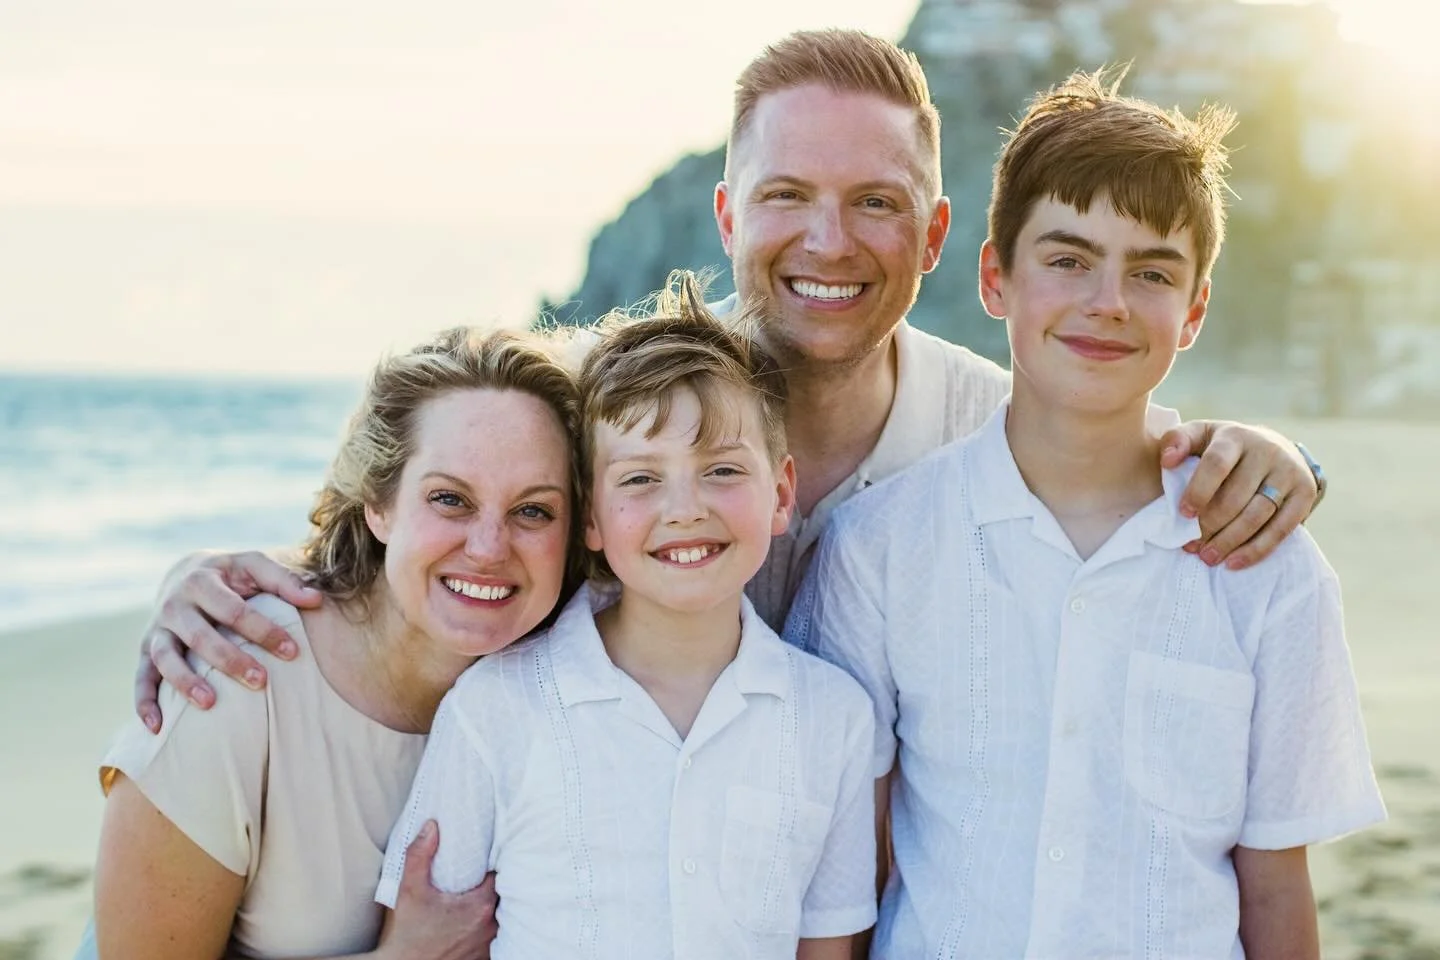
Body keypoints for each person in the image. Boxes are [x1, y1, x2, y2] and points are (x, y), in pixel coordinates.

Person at [126, 29, 1326, 718]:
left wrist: (1282, 457)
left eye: (875, 203)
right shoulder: (596, 394)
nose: (828, 241)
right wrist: (215, 574)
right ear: (726, 210)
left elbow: (1133, 452)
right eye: (786, 197)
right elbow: (440, 508)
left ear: (937, 234)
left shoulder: (987, 421)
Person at [785, 69, 1386, 958]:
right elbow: (847, 881)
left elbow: (1274, 888)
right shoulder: (878, 550)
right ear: (997, 278)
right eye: (1068, 259)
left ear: (1194, 312)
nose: (1107, 301)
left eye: (1151, 271)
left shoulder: (1272, 571)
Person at [374, 273, 877, 958]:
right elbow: (420, 942)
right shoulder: (496, 709)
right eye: (641, 478)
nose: (685, 508)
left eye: (723, 471)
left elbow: (828, 946)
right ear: (591, 516)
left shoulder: (834, 720)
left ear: (781, 492)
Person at [84, 327, 582, 959]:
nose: (489, 548)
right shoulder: (231, 676)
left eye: (533, 511)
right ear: (379, 503)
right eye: (449, 499)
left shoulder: (572, 690)